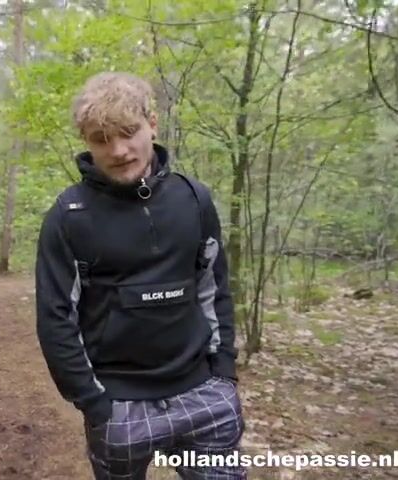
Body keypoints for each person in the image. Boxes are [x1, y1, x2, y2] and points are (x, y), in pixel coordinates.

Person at [35, 72, 246, 479]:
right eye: (101, 139)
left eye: (128, 132)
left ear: (152, 124)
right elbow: (55, 319)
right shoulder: (69, 217)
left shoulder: (194, 199)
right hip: (119, 407)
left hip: (204, 395)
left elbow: (214, 289)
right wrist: (93, 403)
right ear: (86, 142)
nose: (118, 150)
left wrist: (223, 373)